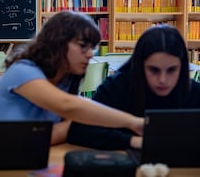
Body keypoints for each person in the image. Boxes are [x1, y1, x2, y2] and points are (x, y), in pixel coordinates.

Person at [0, 10, 143, 145]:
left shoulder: (65, 81)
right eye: (82, 46)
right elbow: (68, 108)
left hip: (29, 156)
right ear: (57, 42)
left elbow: (65, 130)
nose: (89, 55)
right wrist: (133, 122)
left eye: (92, 49)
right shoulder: (22, 71)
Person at [67, 24, 200, 150]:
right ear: (140, 67)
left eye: (172, 70)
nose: (162, 80)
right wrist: (132, 141)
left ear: (182, 68)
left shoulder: (194, 92)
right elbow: (80, 130)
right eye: (154, 70)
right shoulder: (116, 86)